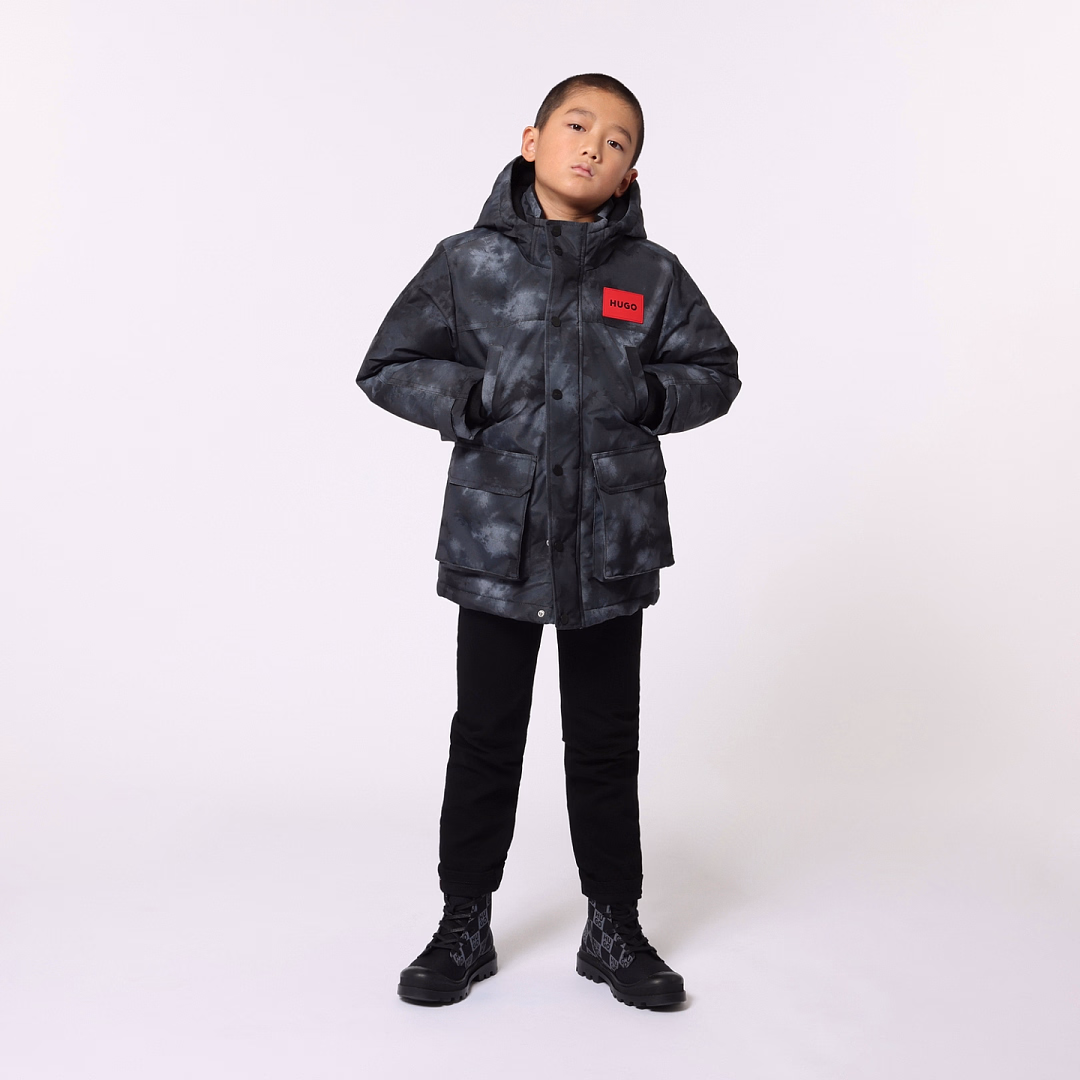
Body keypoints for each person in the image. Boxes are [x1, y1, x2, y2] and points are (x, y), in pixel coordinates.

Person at [356, 73, 740, 1008]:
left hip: (610, 543)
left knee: (605, 742)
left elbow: (715, 370)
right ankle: (463, 923)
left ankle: (614, 928)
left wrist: (652, 393)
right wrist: (473, 397)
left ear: (629, 174)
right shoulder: (466, 263)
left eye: (617, 142)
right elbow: (389, 363)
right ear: (531, 140)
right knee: (486, 736)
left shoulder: (651, 275)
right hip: (501, 543)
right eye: (577, 126)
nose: (593, 147)